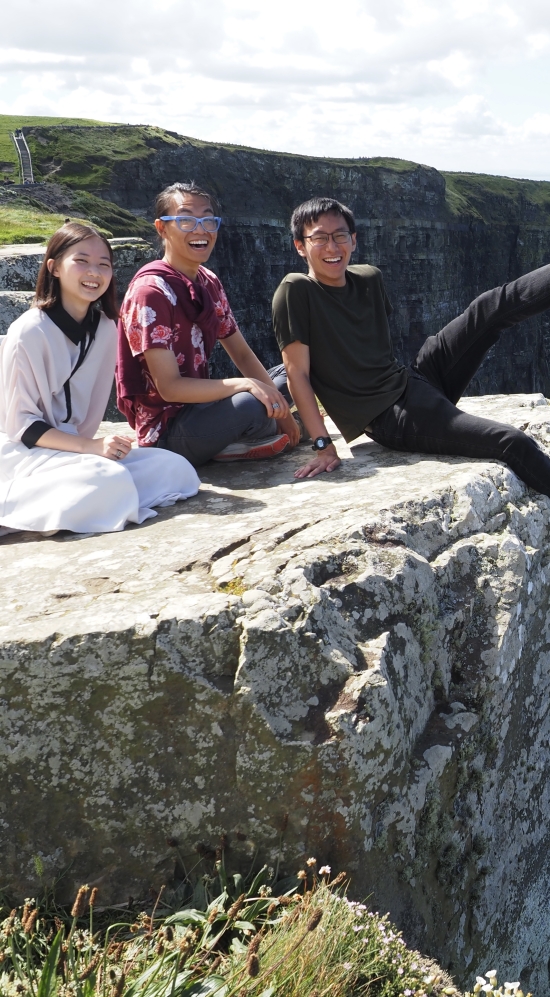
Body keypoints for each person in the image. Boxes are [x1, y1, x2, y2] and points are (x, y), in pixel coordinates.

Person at [272, 196, 550, 493]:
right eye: (319, 238)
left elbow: (375, 354)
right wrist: (323, 446)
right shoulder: (296, 289)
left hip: (414, 381)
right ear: (300, 246)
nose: (332, 247)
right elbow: (296, 374)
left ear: (353, 240)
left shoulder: (368, 278)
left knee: (490, 308)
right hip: (393, 418)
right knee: (511, 442)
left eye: (340, 235)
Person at [0, 223, 200, 537]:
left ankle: (95, 502)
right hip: (26, 452)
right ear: (54, 267)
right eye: (81, 261)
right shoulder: (28, 332)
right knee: (108, 480)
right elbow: (21, 426)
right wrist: (90, 447)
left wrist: (92, 448)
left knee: (175, 469)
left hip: (77, 453)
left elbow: (88, 417)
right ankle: (18, 509)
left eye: (103, 264)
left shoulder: (106, 328)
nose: (94, 272)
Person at [116, 181, 300, 465]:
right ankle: (248, 435)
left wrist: (277, 403)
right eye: (187, 220)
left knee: (296, 374)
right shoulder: (150, 293)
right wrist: (247, 386)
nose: (200, 229)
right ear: (162, 228)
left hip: (203, 407)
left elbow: (240, 352)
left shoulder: (207, 281)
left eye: (207, 220)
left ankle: (254, 433)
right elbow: (170, 388)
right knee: (251, 403)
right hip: (169, 430)